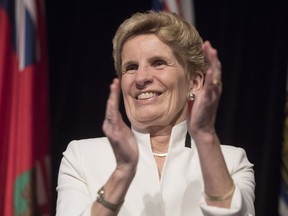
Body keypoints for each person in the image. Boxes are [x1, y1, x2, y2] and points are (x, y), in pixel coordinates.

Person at [56, 10, 255, 216]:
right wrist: (122, 172)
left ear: (193, 83)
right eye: (131, 67)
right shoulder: (81, 157)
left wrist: (205, 136)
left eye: (158, 63)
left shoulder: (231, 162)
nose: (141, 78)